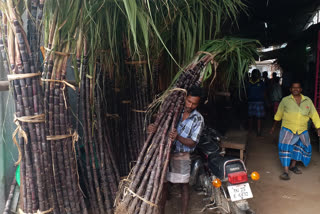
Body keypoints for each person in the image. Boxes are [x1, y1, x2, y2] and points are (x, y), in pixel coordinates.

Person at [148, 86, 204, 214]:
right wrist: (153, 128)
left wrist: (178, 137)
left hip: (182, 154)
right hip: (164, 152)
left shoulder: (198, 119)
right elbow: (161, 124)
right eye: (189, 101)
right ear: (185, 98)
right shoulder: (174, 111)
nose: (190, 105)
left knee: (183, 184)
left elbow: (192, 142)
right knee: (163, 184)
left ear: (198, 103)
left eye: (194, 104)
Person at [270, 82, 320, 180]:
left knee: (299, 148)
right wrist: (273, 127)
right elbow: (278, 115)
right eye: (293, 88)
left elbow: (314, 115)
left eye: (298, 88)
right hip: (288, 129)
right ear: (290, 89)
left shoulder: (307, 101)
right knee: (285, 149)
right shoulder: (285, 100)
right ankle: (285, 171)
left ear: (301, 89)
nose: (295, 89)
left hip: (302, 130)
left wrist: (318, 128)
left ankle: (292, 166)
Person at [247, 69, 266, 136]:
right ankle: (250, 130)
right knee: (250, 117)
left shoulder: (261, 83)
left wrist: (265, 100)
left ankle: (258, 131)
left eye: (256, 74)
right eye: (254, 74)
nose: (255, 75)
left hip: (259, 102)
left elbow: (264, 92)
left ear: (258, 75)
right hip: (250, 101)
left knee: (258, 117)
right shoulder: (248, 82)